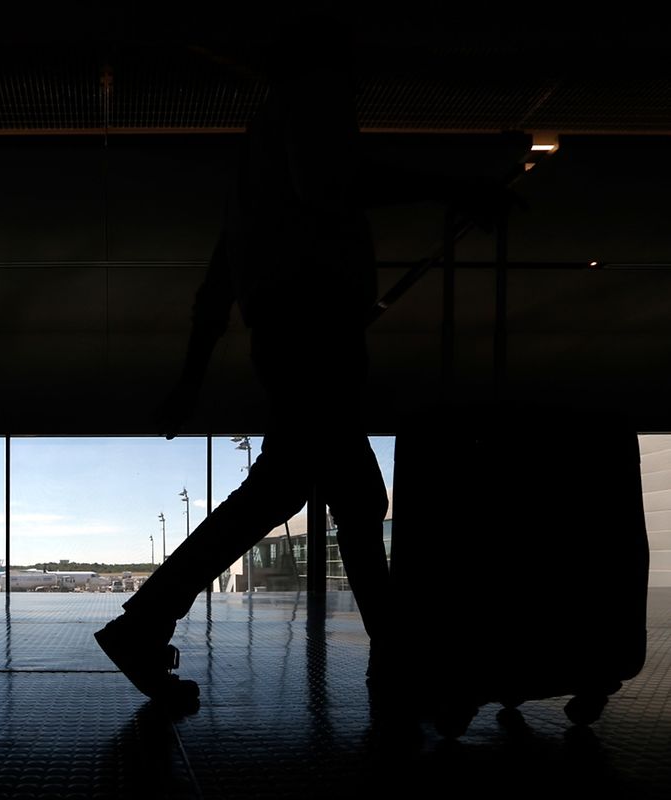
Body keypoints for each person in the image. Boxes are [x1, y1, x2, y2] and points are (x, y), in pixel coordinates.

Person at [94, 13, 512, 711]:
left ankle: (393, 662)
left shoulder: (257, 149)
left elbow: (219, 276)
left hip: (291, 333)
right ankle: (146, 622)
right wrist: (454, 187)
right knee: (313, 496)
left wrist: (190, 378)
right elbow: (331, 186)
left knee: (330, 497)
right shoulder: (311, 105)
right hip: (317, 330)